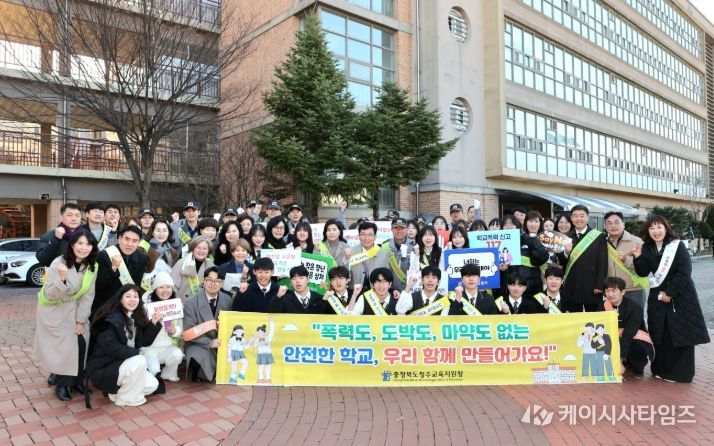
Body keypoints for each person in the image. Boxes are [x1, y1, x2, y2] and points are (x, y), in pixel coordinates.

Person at [633, 216, 710, 383]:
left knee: (681, 333)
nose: (656, 231)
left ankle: (681, 374)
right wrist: (638, 257)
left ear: (666, 228)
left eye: (659, 227)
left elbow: (684, 272)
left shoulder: (677, 245)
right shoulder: (647, 248)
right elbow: (643, 272)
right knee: (660, 332)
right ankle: (661, 370)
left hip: (681, 295)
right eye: (652, 228)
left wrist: (670, 292)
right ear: (648, 231)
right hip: (657, 297)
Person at [34, 231, 98, 401]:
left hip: (76, 310)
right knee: (66, 347)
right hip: (55, 310)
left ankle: (77, 381)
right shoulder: (58, 263)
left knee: (82, 342)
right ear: (72, 245)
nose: (83, 248)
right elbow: (50, 294)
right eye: (80, 243)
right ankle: (62, 385)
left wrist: (80, 321)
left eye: (88, 244)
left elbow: (88, 295)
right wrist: (61, 279)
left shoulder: (91, 266)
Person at [86, 284, 162, 407]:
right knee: (140, 360)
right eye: (128, 296)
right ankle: (126, 399)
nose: (132, 300)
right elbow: (111, 347)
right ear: (120, 299)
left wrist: (153, 322)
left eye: (135, 296)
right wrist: (136, 353)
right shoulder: (110, 319)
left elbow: (145, 342)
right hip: (105, 368)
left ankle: (116, 393)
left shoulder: (136, 317)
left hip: (124, 365)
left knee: (152, 385)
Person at [183, 267, 233, 382]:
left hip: (221, 342)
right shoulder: (191, 302)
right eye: (209, 280)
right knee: (196, 359)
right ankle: (199, 372)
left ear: (222, 283)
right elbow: (189, 331)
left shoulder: (227, 299)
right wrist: (210, 343)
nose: (213, 284)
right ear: (204, 281)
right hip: (198, 342)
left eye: (217, 281)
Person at [558, 205, 608, 312]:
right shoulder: (566, 237)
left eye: (582, 216)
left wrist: (600, 285)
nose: (578, 219)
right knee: (574, 317)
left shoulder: (598, 236)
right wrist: (565, 253)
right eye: (575, 216)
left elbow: (603, 262)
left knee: (593, 317)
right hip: (572, 284)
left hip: (591, 284)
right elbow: (561, 262)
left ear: (587, 217)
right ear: (571, 218)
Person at [601, 277, 654, 378]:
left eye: (614, 290)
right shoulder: (601, 306)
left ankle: (636, 367)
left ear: (623, 292)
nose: (610, 294)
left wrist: (620, 359)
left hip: (632, 337)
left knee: (638, 349)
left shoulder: (635, 308)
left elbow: (629, 334)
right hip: (611, 337)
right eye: (607, 291)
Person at [93, 225, 148, 317]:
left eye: (135, 241)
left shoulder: (142, 258)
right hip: (106, 306)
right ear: (119, 238)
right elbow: (99, 286)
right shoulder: (104, 255)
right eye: (127, 239)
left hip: (128, 307)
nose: (130, 244)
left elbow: (136, 286)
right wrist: (113, 268)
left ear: (139, 243)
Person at [141, 272, 183, 383]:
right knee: (154, 370)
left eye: (168, 287)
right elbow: (140, 330)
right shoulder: (146, 306)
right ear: (155, 289)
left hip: (166, 346)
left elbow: (180, 328)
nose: (165, 290)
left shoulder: (175, 306)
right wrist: (153, 322)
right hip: (149, 349)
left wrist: (175, 330)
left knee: (177, 355)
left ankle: (168, 373)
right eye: (161, 287)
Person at [604, 211, 647, 311]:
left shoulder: (636, 241)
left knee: (636, 318)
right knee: (615, 319)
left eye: (616, 222)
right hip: (612, 292)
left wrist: (626, 259)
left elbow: (645, 266)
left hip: (634, 290)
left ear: (623, 224)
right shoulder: (602, 243)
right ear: (605, 226)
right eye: (609, 223)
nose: (613, 226)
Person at [36, 203, 87, 267]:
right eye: (69, 215)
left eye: (77, 215)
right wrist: (56, 239)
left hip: (82, 272)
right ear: (61, 218)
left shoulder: (87, 235)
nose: (74, 219)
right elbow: (42, 260)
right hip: (57, 272)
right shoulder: (49, 236)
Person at [172, 236, 215, 302]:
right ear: (193, 249)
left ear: (208, 251)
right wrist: (177, 303)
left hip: (201, 303)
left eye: (205, 248)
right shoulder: (181, 264)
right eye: (198, 248)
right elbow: (173, 286)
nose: (201, 251)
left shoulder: (211, 267)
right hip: (182, 302)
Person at [349, 221, 389, 290]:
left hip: (376, 291)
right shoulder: (351, 252)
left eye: (370, 235)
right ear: (359, 236)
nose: (366, 238)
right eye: (363, 234)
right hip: (354, 291)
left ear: (375, 237)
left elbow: (387, 276)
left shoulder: (383, 253)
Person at [380, 217, 414, 291]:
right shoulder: (385, 245)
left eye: (402, 228)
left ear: (407, 229)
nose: (399, 231)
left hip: (409, 289)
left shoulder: (414, 246)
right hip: (389, 290)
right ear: (391, 229)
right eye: (396, 228)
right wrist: (390, 289)